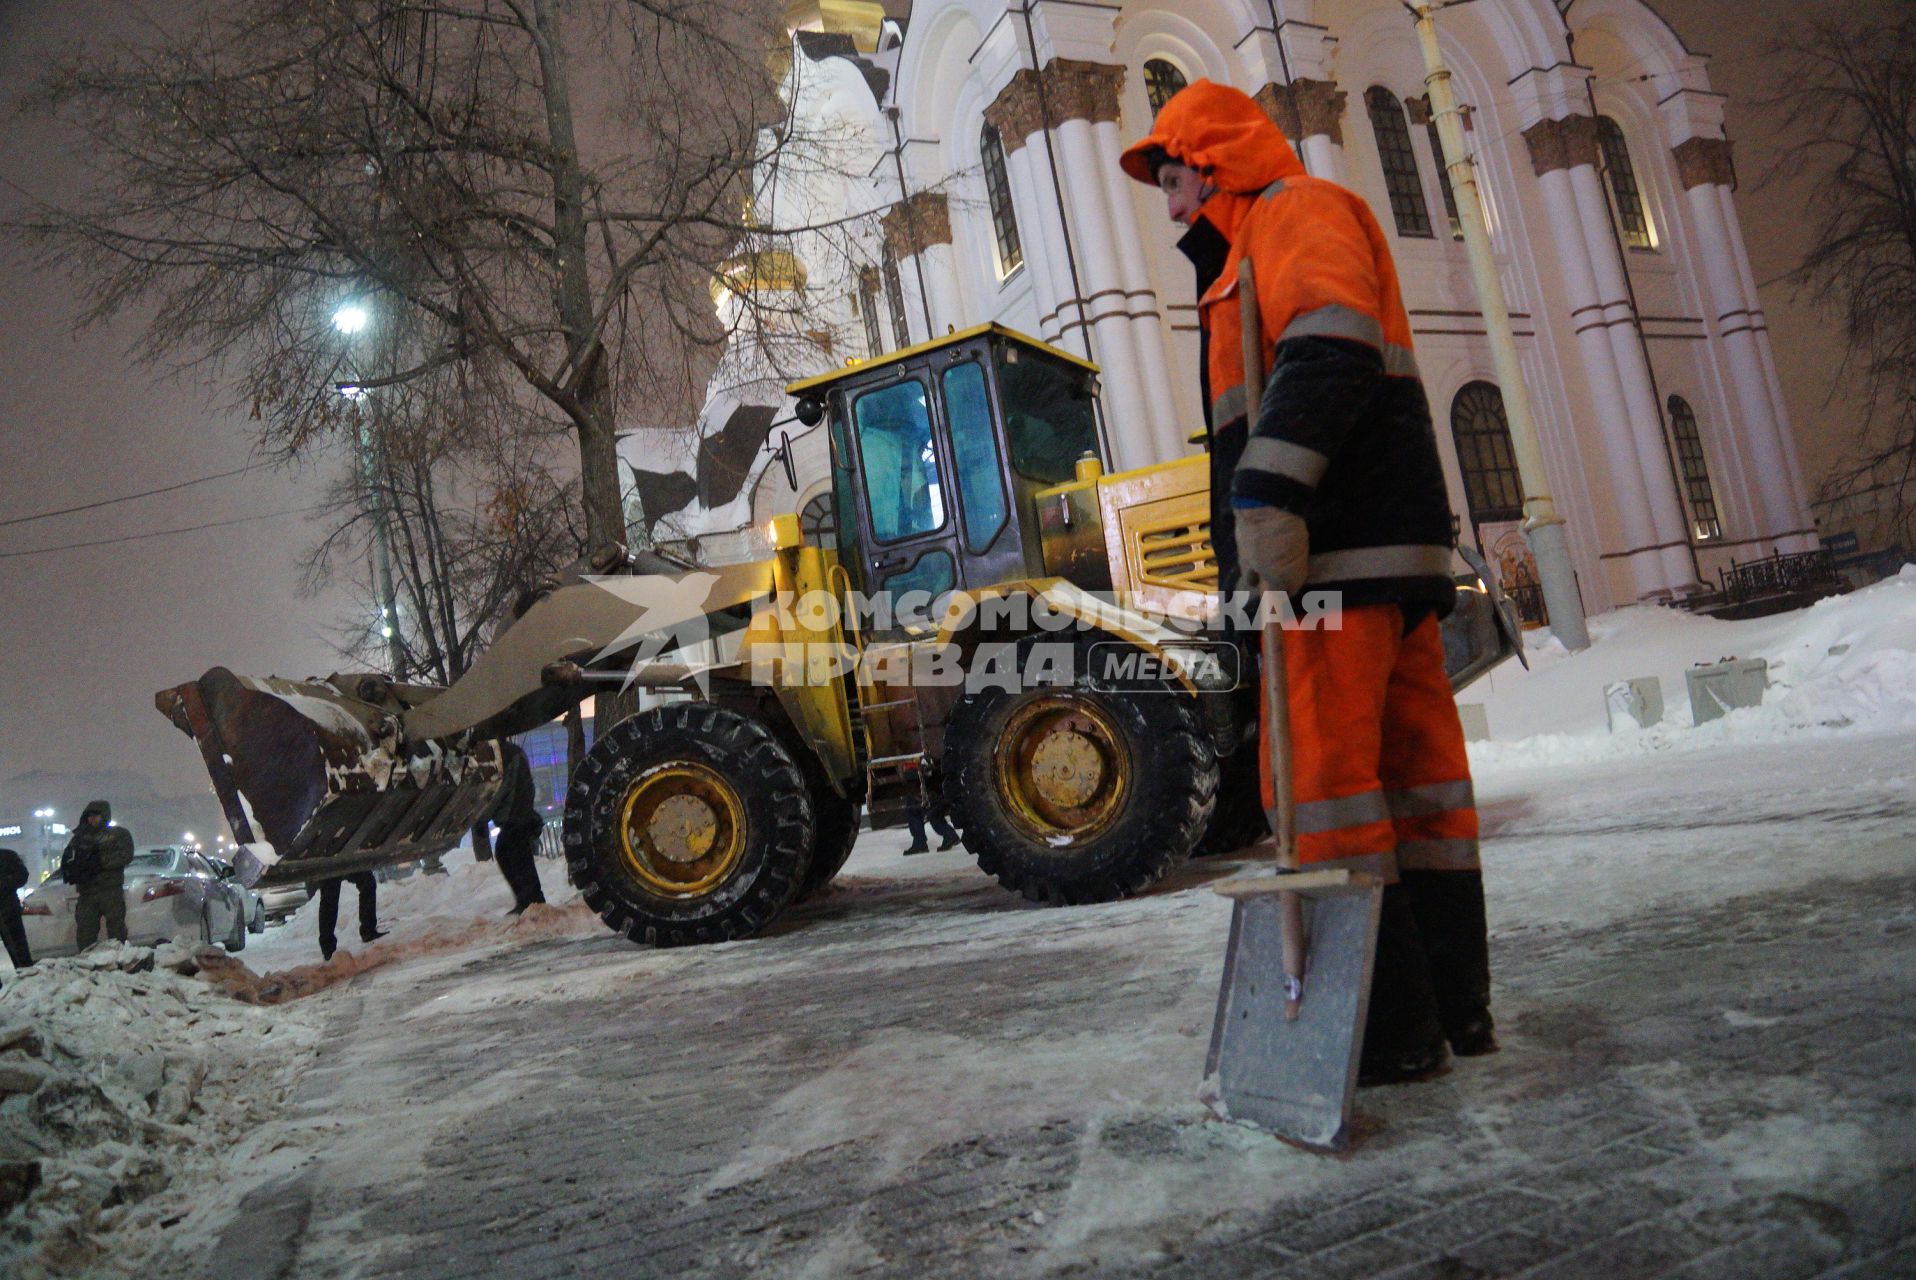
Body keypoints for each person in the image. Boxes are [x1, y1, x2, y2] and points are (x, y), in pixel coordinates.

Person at [1121, 80, 1493, 1084]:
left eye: (1171, 177)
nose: (1169, 206)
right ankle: (1453, 1007)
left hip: (1331, 557)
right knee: (1417, 787)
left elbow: (1330, 347)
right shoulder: (1260, 244)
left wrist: (1265, 499)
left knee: (1324, 788)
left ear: (1214, 163)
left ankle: (1378, 1028)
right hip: (1378, 554)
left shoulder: (1292, 214)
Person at [472, 741, 547, 916]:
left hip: (514, 816)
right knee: (510, 853)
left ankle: (532, 902)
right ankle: (529, 901)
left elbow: (498, 793)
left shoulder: (504, 758)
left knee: (513, 854)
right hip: (517, 814)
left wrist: (481, 819)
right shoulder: (512, 753)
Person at [60, 800, 135, 948]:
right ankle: (88, 963)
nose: (92, 818)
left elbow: (126, 855)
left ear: (104, 815)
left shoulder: (118, 834)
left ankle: (119, 961)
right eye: (90, 815)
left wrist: (100, 863)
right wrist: (72, 871)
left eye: (96, 815)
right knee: (85, 933)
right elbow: (69, 859)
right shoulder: (79, 838)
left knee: (116, 931)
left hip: (110, 889)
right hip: (87, 892)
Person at [314, 871, 386, 961]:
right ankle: (328, 947)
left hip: (337, 860)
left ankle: (368, 930)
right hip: (328, 862)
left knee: (367, 881)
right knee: (330, 895)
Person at [0, 847, 33, 979]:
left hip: (7, 909)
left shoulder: (7, 856)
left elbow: (22, 875)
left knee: (18, 948)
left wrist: (3, 885)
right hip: (8, 906)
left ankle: (27, 978)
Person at [902, 781, 958, 856]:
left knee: (914, 809)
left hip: (922, 781)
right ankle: (949, 834)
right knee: (934, 810)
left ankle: (920, 843)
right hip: (936, 781)